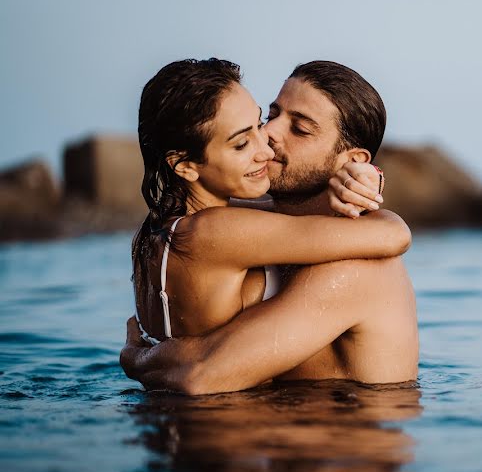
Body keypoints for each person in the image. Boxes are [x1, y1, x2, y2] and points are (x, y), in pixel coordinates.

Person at [121, 60, 419, 394]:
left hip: (331, 442)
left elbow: (200, 376)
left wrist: (140, 357)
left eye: (300, 129)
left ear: (351, 160)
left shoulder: (356, 271)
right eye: (272, 115)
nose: (269, 133)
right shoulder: (239, 222)